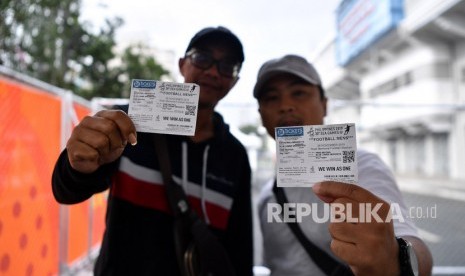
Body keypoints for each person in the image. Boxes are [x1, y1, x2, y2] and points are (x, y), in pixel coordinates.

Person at [52, 26, 253, 276]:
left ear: (234, 81)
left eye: (227, 66)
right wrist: (77, 163)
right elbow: (66, 191)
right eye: (202, 58)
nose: (213, 71)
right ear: (182, 64)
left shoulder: (235, 156)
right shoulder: (128, 123)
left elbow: (240, 247)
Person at [254, 54, 433, 276]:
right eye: (271, 98)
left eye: (298, 93)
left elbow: (411, 242)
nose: (285, 105)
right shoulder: (266, 196)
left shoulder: (361, 166)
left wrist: (397, 261)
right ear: (261, 115)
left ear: (325, 104)